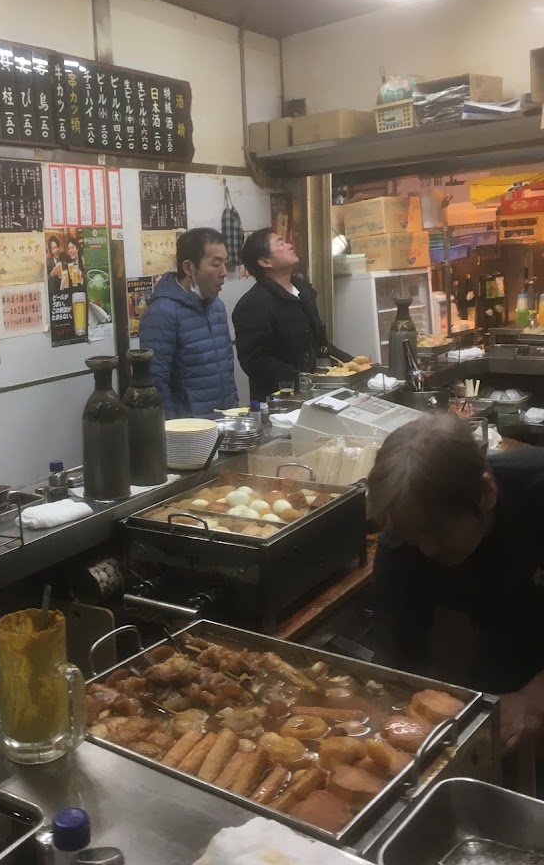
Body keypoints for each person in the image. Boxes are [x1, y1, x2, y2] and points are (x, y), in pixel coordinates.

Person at [368, 414, 544, 753]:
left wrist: (534, 700)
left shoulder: (537, 491)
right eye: (413, 537)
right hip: (499, 640)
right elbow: (395, 667)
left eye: (437, 532)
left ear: (486, 494)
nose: (426, 550)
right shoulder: (403, 544)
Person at [232, 228, 349, 401]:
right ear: (265, 261)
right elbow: (255, 361)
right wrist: (302, 379)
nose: (290, 245)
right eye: (281, 243)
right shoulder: (253, 304)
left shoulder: (304, 292)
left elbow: (319, 345)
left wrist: (352, 363)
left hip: (318, 393)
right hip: (282, 400)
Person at [138, 227, 237, 418]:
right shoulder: (162, 312)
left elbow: (227, 368)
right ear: (188, 268)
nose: (224, 272)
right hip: (189, 427)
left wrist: (234, 408)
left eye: (225, 263)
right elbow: (156, 381)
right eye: (216, 264)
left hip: (225, 420)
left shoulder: (217, 306)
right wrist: (173, 428)